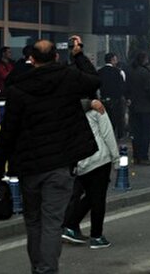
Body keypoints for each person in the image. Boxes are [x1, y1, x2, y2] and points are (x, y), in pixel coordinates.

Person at [0, 36, 100, 274]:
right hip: (60, 162)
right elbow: (94, 81)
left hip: (30, 165)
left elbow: (7, 131)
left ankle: (38, 267)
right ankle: (46, 270)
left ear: (31, 59)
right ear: (56, 57)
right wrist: (78, 55)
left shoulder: (18, 87)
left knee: (33, 221)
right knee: (52, 221)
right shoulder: (68, 78)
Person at [62, 98, 119, 249]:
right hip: (99, 158)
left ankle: (70, 225)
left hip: (80, 161)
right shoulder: (97, 108)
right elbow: (107, 133)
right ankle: (96, 236)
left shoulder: (67, 112)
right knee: (98, 198)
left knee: (91, 196)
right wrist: (116, 158)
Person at [126, 51, 150, 165]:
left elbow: (126, 88)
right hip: (146, 107)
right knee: (146, 133)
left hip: (134, 106)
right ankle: (144, 156)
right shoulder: (145, 72)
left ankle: (136, 155)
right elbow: (149, 89)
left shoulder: (130, 71)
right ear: (144, 60)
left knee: (136, 132)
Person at [98, 52, 127, 140]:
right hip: (116, 100)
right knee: (117, 118)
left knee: (105, 119)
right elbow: (123, 86)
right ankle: (118, 136)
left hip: (103, 99)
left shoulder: (99, 72)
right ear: (112, 60)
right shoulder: (118, 72)